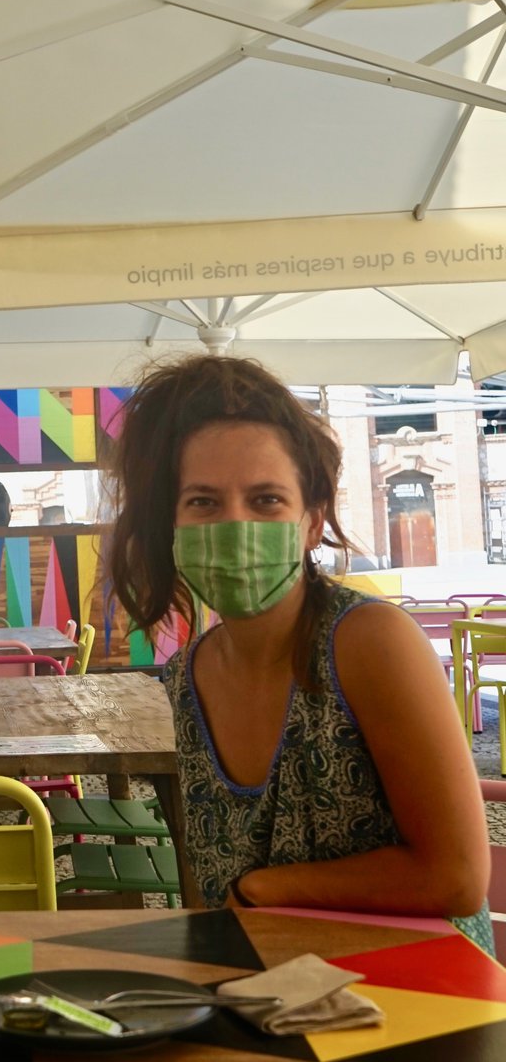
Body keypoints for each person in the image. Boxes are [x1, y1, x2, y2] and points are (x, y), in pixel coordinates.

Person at [108, 356, 492, 949]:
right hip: (270, 999)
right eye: (204, 503)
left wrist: (268, 888)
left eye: (265, 501)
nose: (235, 524)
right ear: (171, 526)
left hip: (423, 1001)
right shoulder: (187, 678)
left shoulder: (371, 644)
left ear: (312, 522)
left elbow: (457, 876)